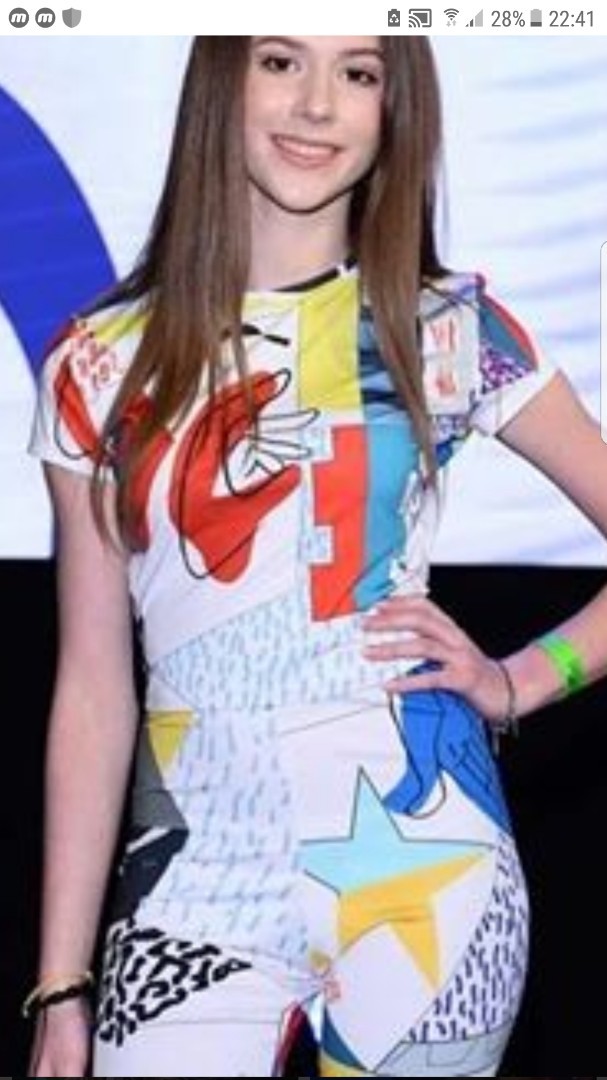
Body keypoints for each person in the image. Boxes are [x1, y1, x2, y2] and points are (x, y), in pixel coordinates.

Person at [25, 36, 607, 1079]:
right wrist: (61, 984)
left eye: (359, 73)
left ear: (393, 107)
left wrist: (522, 678)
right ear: (222, 80)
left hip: (426, 863)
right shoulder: (98, 361)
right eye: (280, 62)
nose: (317, 106)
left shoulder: (447, 327)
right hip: (192, 878)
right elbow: (93, 686)